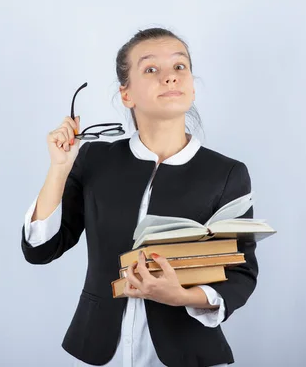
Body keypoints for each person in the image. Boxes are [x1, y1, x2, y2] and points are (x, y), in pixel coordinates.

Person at [21, 27, 258, 367]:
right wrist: (59, 168)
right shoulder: (94, 160)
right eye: (151, 69)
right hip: (99, 348)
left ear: (191, 86)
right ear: (126, 94)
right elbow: (40, 249)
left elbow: (241, 272)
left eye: (180, 67)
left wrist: (183, 296)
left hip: (187, 352)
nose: (170, 78)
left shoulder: (226, 173)